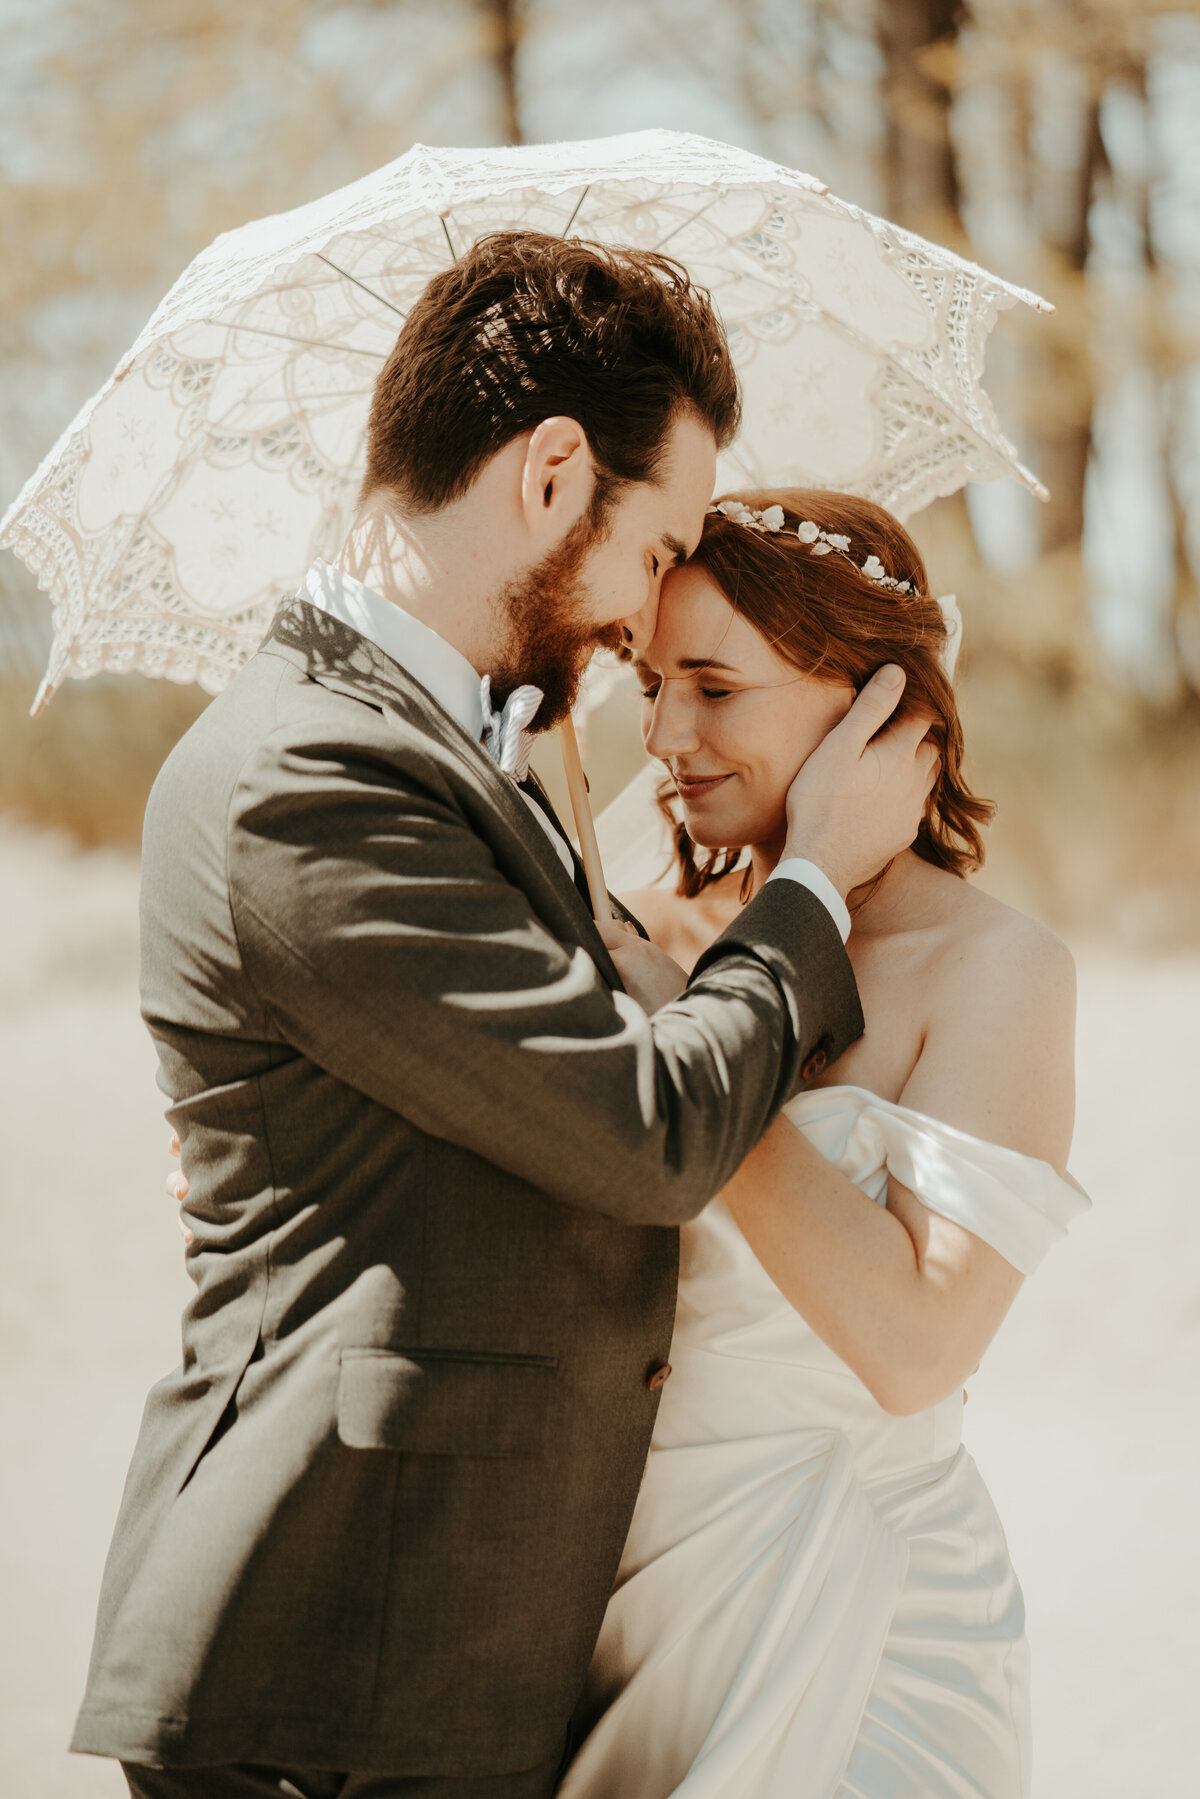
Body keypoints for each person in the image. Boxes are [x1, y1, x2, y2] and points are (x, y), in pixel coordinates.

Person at [72, 237, 936, 1799]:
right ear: (551, 476)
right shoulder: (310, 775)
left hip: (450, 1639)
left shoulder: (458, 754)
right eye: (654, 540)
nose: (649, 607)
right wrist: (817, 877)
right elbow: (645, 1132)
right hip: (332, 1651)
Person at [560, 491, 1088, 1799]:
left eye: (717, 686)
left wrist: (694, 1053)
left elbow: (920, 1347)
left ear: (873, 709)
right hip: (614, 1617)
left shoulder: (995, 971)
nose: (668, 734)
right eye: (650, 681)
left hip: (866, 1628)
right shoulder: (624, 937)